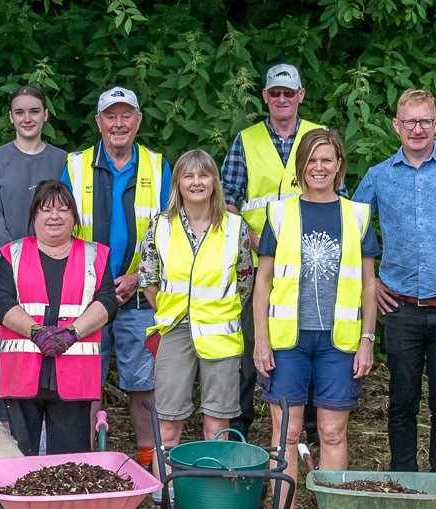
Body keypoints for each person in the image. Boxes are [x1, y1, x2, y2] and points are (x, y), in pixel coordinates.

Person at [254, 128, 378, 509]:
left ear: (339, 164)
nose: (319, 168)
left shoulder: (356, 215)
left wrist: (367, 340)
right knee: (286, 434)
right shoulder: (281, 214)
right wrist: (261, 341)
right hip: (288, 340)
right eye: (312, 160)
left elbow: (367, 285)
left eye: (328, 160)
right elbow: (263, 281)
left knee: (332, 432)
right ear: (300, 166)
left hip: (339, 343)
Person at [222, 64, 340, 442]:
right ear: (265, 97)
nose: (282, 99)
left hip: (313, 264)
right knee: (249, 341)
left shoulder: (317, 137)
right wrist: (255, 240)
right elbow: (226, 200)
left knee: (306, 337)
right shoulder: (247, 139)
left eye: (289, 93)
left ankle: (305, 425)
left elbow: (340, 197)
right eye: (275, 93)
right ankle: (241, 421)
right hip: (257, 260)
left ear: (301, 95)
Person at [61, 86, 172, 468]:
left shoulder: (158, 167)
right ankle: (86, 462)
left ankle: (148, 463)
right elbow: (60, 229)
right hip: (87, 295)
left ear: (138, 121)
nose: (119, 124)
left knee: (144, 382)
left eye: (127, 115)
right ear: (99, 122)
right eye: (111, 116)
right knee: (85, 379)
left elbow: (171, 232)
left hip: (141, 294)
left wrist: (139, 277)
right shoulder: (75, 166)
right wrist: (96, 283)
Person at [352, 89, 436, 473]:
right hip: (401, 309)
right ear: (397, 126)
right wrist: (372, 281)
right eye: (410, 122)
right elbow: (350, 229)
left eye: (425, 120)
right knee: (402, 401)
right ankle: (404, 483)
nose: (418, 129)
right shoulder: (378, 176)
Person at [0, 180, 117, 455]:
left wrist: (72, 333)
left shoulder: (96, 255)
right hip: (23, 373)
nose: (54, 216)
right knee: (20, 461)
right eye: (46, 210)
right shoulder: (12, 254)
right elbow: (0, 303)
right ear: (34, 216)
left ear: (74, 217)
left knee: (69, 465)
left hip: (74, 375)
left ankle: (63, 502)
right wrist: (36, 332)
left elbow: (107, 302)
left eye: (63, 209)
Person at [140, 149, 252, 457]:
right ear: (177, 183)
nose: (196, 182)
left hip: (221, 336)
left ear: (215, 182)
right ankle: (164, 499)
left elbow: (244, 282)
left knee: (217, 426)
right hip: (175, 330)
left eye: (203, 175)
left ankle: (212, 498)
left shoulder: (234, 226)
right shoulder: (160, 225)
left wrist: (214, 311)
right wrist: (172, 309)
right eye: (188, 176)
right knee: (167, 425)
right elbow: (148, 279)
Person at [0, 85, 67, 426]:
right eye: (19, 112)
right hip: (2, 272)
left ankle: (44, 429)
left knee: (51, 347)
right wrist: (20, 264)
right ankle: (4, 427)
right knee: (5, 351)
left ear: (45, 114)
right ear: (10, 117)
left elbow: (67, 216)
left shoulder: (63, 161)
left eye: (34, 111)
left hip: (55, 272)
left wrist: (46, 263)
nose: (27, 118)